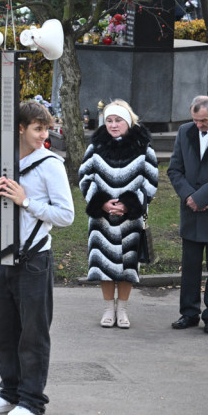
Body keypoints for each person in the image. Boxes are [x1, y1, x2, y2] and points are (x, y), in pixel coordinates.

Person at [0, 100, 74, 415]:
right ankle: (9, 392)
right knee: (2, 332)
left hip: (34, 259)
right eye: (38, 128)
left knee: (33, 334)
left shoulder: (50, 164)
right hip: (0, 256)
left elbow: (66, 215)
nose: (44, 135)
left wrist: (26, 201)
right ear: (20, 128)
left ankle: (32, 401)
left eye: (46, 129)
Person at [78, 100, 158, 328]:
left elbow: (151, 181)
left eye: (118, 120)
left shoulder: (144, 147)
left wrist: (129, 205)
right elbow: (85, 177)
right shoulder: (95, 147)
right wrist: (101, 203)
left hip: (130, 218)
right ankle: (107, 309)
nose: (113, 125)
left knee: (128, 265)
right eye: (109, 120)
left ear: (129, 122)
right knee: (103, 263)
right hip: (101, 218)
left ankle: (122, 310)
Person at [167, 95, 208, 334]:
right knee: (189, 268)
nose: (198, 125)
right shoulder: (185, 131)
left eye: (203, 121)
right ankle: (188, 313)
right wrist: (189, 196)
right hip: (191, 212)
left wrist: (202, 198)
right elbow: (174, 169)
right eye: (195, 120)